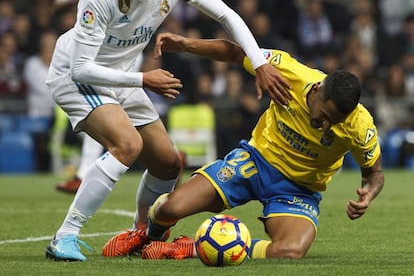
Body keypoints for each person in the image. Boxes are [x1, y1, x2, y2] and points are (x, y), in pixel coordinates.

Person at [45, 0, 291, 262]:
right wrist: (144, 79)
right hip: (77, 77)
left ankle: (142, 234)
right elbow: (80, 67)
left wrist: (259, 62)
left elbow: (227, 15)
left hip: (123, 75)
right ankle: (65, 235)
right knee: (127, 144)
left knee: (167, 163)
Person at [123, 31, 384, 260]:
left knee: (290, 251)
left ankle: (190, 248)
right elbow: (237, 53)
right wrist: (184, 44)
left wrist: (369, 194)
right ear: (316, 90)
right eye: (324, 117)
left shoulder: (360, 126)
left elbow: (374, 174)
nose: (326, 126)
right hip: (254, 162)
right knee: (169, 209)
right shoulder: (289, 72)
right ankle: (147, 236)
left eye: (334, 122)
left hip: (298, 189)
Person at [52, 0, 127, 193]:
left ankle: (84, 174)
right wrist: (77, 0)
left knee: (105, 108)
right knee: (109, 111)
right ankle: (167, 160)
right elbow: (55, 7)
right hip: (87, 51)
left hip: (121, 52)